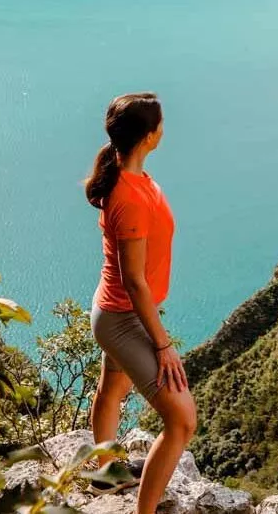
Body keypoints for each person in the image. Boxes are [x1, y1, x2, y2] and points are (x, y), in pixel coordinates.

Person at [85, 92, 196, 511]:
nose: (164, 129)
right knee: (182, 420)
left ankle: (104, 478)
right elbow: (134, 281)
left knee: (112, 389)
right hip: (122, 317)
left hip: (114, 313)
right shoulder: (128, 196)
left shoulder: (131, 178)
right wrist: (163, 345)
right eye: (160, 124)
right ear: (150, 136)